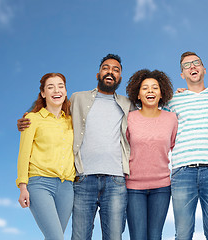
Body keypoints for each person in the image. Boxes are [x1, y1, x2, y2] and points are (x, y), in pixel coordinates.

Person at [17, 54, 132, 240]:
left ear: (120, 77)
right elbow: (52, 104)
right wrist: (28, 116)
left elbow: (150, 109)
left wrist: (181, 94)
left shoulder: (127, 104)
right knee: (75, 236)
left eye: (116, 70)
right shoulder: (79, 98)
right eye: (105, 68)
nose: (110, 72)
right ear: (97, 74)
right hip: (82, 179)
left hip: (113, 180)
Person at [165, 51, 208, 240]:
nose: (192, 66)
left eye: (196, 63)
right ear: (182, 75)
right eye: (187, 65)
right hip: (183, 171)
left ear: (204, 69)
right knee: (183, 233)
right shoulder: (172, 101)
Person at [16, 72, 75, 240]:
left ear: (65, 90)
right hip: (40, 184)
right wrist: (22, 186)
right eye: (50, 87)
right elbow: (23, 153)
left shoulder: (71, 121)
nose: (56, 90)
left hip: (67, 187)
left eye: (60, 86)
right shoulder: (32, 119)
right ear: (43, 93)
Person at [125, 69, 178, 240]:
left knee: (155, 236)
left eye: (155, 88)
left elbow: (174, 145)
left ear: (161, 93)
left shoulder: (171, 119)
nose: (150, 91)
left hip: (161, 187)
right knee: (138, 236)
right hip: (133, 188)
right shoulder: (128, 118)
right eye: (145, 88)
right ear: (138, 95)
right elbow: (123, 148)